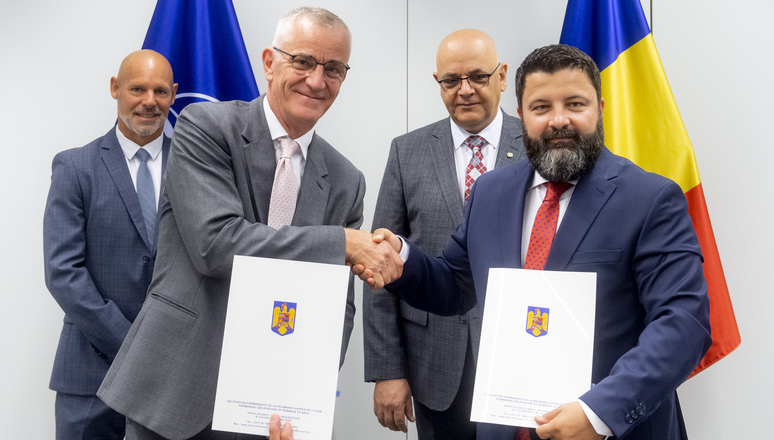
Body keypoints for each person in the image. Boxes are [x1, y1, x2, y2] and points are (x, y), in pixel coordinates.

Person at [357, 44, 711, 440]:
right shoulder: (491, 191)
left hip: (611, 428)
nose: (559, 120)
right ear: (522, 115)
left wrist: (599, 412)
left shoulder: (650, 198)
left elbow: (683, 323)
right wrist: (402, 259)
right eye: (541, 107)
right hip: (506, 425)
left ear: (601, 108)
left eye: (575, 104)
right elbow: (453, 285)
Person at [97, 7, 399, 440]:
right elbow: (216, 244)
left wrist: (306, 395)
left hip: (271, 409)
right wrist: (342, 244)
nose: (317, 80)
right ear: (269, 61)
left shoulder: (347, 180)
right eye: (303, 61)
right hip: (174, 390)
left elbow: (337, 309)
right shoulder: (206, 126)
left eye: (333, 68)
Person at [363, 29, 525, 439]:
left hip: (523, 355)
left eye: (478, 77)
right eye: (451, 81)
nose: (465, 90)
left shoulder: (539, 146)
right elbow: (379, 266)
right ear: (438, 82)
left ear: (502, 76)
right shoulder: (407, 151)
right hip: (433, 367)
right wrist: (388, 370)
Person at [43, 49, 177, 440]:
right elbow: (63, 273)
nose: (149, 101)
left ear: (174, 94)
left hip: (173, 377)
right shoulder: (74, 167)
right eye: (137, 88)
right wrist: (134, 343)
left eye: (161, 91)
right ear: (116, 88)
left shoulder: (197, 167)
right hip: (90, 373)